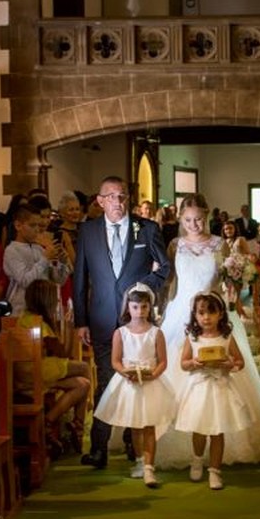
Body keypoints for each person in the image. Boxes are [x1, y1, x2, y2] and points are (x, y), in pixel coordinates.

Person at [155, 193, 260, 472]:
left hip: (213, 311)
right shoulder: (175, 245)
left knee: (221, 372)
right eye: (188, 220)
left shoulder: (219, 245)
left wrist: (234, 288)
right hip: (182, 311)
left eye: (199, 219)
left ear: (207, 215)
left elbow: (229, 276)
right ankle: (176, 442)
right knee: (178, 371)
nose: (194, 224)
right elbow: (171, 281)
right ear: (180, 220)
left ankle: (221, 443)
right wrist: (165, 310)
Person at [72, 175, 171, 471]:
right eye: (111, 196)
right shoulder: (87, 231)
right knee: (106, 382)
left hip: (136, 319)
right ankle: (99, 448)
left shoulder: (147, 228)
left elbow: (164, 267)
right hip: (101, 318)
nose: (118, 201)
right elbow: (80, 278)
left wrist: (143, 286)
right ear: (100, 201)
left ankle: (133, 442)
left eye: (123, 196)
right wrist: (81, 320)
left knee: (137, 379)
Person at [92, 284, 174, 488]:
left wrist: (153, 374)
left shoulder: (156, 333)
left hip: (151, 383)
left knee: (149, 426)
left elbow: (163, 361)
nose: (140, 311)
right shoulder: (121, 333)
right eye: (135, 307)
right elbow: (116, 361)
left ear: (149, 308)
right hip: (129, 383)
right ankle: (139, 461)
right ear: (127, 307)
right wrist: (125, 373)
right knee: (136, 425)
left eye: (144, 307)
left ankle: (149, 467)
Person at [172, 291, 249, 491]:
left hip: (221, 387)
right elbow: (183, 363)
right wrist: (194, 363)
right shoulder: (193, 337)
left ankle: (215, 471)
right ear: (195, 316)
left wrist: (230, 364)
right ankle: (197, 460)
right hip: (199, 386)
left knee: (217, 430)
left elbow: (240, 362)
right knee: (199, 429)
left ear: (221, 314)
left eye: (211, 313)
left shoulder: (226, 337)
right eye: (201, 313)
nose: (206, 317)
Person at [21, 278, 91, 456]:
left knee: (83, 384)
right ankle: (70, 424)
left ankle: (70, 423)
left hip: (27, 371)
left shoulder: (25, 318)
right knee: (84, 368)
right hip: (36, 372)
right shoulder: (39, 324)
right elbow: (63, 353)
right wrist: (68, 326)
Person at [2, 202, 70, 316]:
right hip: (22, 309)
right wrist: (45, 258)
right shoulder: (12, 250)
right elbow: (25, 281)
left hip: (46, 307)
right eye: (32, 225)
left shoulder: (40, 249)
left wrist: (62, 263)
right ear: (18, 225)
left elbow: (58, 281)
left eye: (39, 225)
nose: (37, 230)